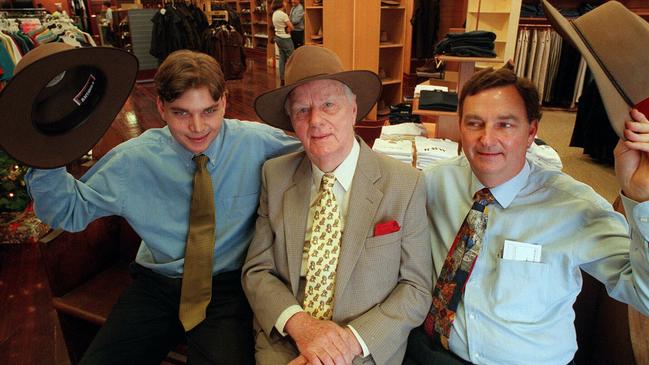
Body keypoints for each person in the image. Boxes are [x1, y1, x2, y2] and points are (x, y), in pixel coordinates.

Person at [25, 50, 300, 364]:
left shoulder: (258, 143)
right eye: (181, 113)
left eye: (209, 110)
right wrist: (45, 157)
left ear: (223, 102)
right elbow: (67, 212)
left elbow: (318, 156)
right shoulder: (133, 159)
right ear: (161, 108)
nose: (198, 126)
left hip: (228, 286)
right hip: (157, 284)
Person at [405, 66, 649, 365]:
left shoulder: (574, 207)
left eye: (505, 125)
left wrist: (642, 196)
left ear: (531, 131)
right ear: (460, 126)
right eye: (474, 123)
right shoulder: (433, 183)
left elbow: (643, 296)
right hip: (436, 353)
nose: (487, 139)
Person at [242, 45, 433, 365]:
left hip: (364, 348)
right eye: (302, 110)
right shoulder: (275, 175)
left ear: (353, 108)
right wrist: (302, 328)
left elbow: (416, 289)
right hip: (288, 342)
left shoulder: (405, 183)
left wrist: (347, 343)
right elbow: (257, 271)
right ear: (291, 119)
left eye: (329, 104)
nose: (316, 121)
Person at [271, 0, 294, 85]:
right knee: (291, 58)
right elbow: (291, 27)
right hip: (285, 39)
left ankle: (282, 78)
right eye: (284, 2)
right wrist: (289, 29)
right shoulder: (283, 14)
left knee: (282, 58)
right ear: (280, 3)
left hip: (278, 37)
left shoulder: (274, 14)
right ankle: (291, 78)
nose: (286, 3)